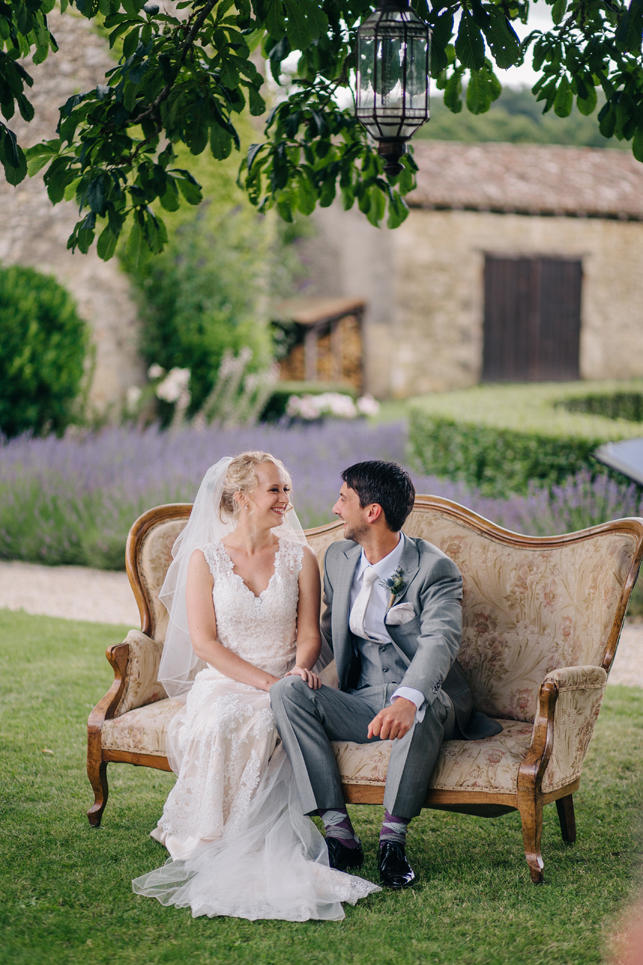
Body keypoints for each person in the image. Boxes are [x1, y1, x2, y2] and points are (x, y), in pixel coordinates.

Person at [132, 452, 379, 920]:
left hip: (289, 680)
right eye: (275, 490)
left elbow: (310, 635)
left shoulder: (300, 556)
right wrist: (265, 682)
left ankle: (249, 835)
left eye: (287, 489)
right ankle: (214, 836)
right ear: (242, 498)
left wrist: (291, 675)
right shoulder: (206, 560)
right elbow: (204, 643)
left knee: (270, 716)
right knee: (226, 719)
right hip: (226, 680)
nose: (286, 499)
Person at [270, 460, 502, 890]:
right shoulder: (338, 558)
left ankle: (392, 841)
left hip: (426, 699)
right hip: (360, 700)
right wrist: (306, 670)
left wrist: (405, 698)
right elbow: (327, 631)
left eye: (343, 499)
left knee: (421, 702)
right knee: (288, 692)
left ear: (371, 511)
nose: (335, 509)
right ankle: (340, 834)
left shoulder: (434, 569)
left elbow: (440, 641)